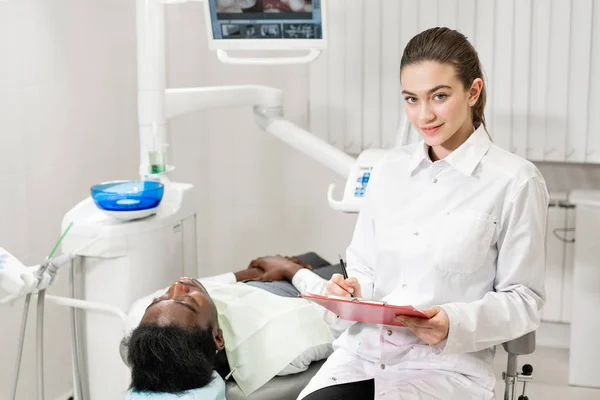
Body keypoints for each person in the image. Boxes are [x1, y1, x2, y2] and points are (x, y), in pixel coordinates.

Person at [298, 27, 549, 400]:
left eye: (440, 96)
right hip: (361, 358)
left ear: (473, 91)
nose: (424, 115)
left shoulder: (515, 180)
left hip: (444, 368)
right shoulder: (388, 169)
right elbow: (364, 267)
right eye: (411, 99)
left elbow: (524, 298)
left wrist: (455, 323)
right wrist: (350, 290)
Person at [123, 253, 338, 399]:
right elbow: (341, 315)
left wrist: (251, 273)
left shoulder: (143, 316)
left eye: (161, 298)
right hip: (314, 293)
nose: (178, 285)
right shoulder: (283, 346)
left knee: (310, 257)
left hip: (257, 283)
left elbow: (186, 287)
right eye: (190, 301)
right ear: (218, 337)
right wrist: (290, 270)